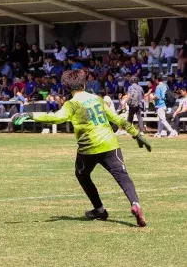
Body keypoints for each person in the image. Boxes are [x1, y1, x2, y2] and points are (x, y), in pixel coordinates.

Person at [12, 69, 150, 227]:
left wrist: (30, 115)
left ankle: (99, 209)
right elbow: (116, 118)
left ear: (67, 88)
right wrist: (136, 133)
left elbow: (57, 118)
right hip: (110, 144)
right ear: (84, 83)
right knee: (123, 176)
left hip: (88, 148)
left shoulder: (71, 104)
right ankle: (135, 204)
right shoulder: (97, 98)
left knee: (82, 175)